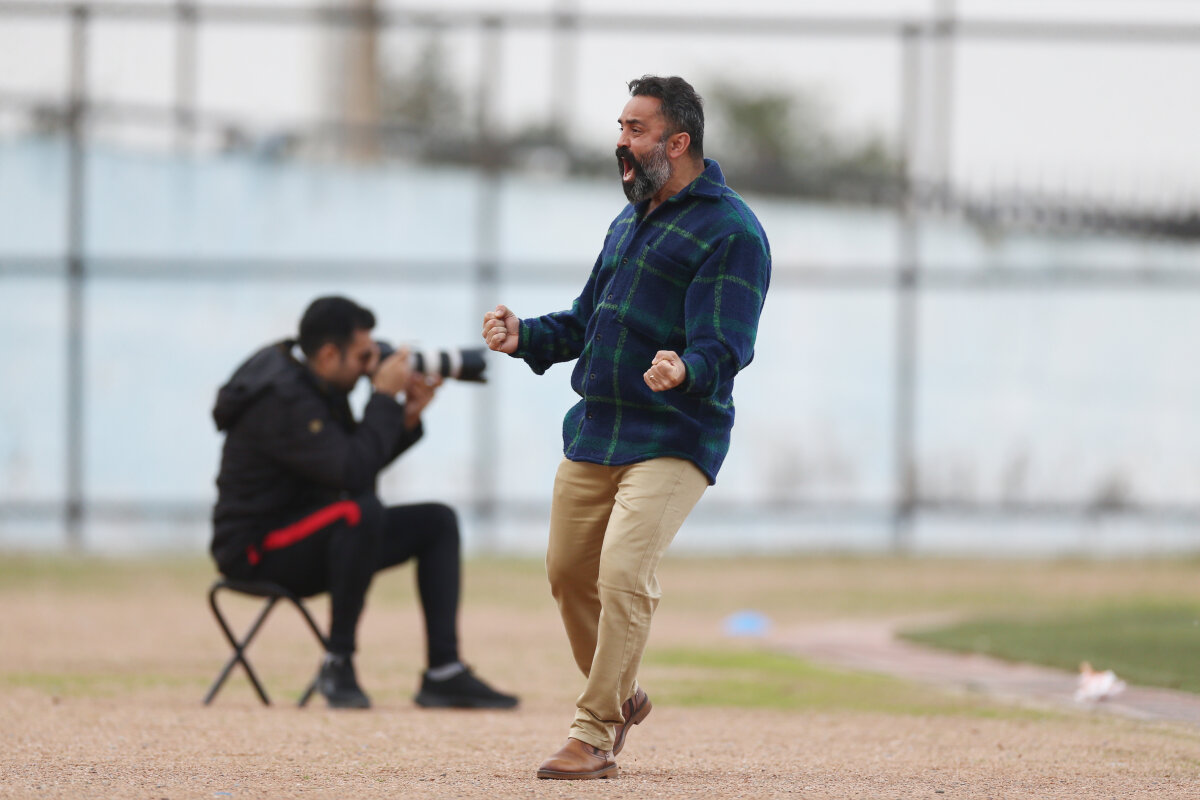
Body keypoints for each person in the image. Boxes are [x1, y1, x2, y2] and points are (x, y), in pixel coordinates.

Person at [481, 75, 770, 779]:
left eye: (636, 130)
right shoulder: (630, 219)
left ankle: (594, 733)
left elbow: (728, 343)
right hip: (598, 427)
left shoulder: (733, 231)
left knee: (622, 574)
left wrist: (687, 367)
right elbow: (587, 320)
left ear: (678, 142)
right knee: (567, 574)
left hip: (676, 432)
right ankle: (624, 693)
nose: (621, 142)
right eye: (620, 127)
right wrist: (525, 336)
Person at [211, 295, 517, 711]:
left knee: (437, 522)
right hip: (256, 549)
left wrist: (406, 417)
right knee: (360, 510)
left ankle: (443, 672)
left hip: (311, 533)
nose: (369, 365)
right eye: (362, 356)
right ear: (328, 354)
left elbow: (350, 464)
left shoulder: (318, 383)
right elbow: (352, 474)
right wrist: (383, 398)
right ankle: (338, 663)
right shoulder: (282, 398)